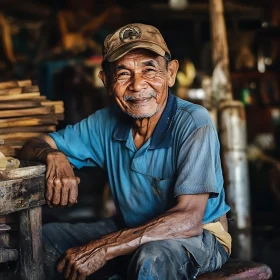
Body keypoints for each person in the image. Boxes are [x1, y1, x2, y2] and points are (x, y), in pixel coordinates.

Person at [20, 23, 231, 280]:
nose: (137, 85)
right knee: (43, 239)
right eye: (122, 74)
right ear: (106, 82)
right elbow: (33, 144)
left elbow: (188, 219)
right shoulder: (104, 122)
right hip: (132, 227)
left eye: (149, 69)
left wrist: (105, 248)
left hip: (199, 236)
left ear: (171, 73)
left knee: (151, 258)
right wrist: (54, 156)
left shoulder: (193, 122)